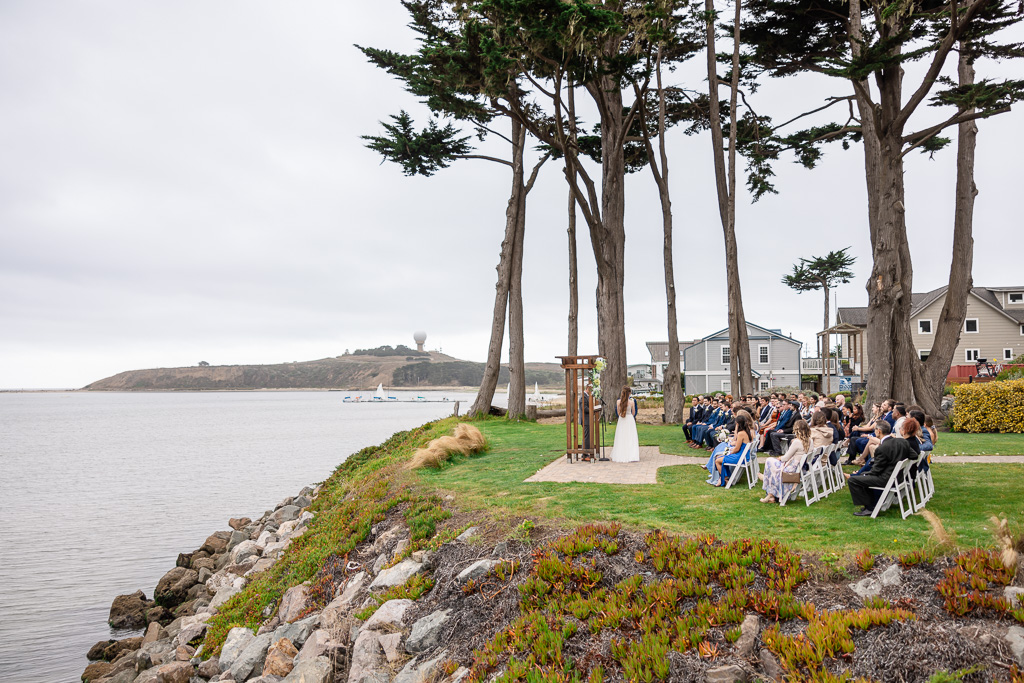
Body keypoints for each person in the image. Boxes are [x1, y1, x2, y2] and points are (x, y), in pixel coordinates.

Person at [848, 421, 918, 516]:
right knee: (862, 476)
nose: (874, 431)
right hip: (899, 478)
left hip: (886, 479)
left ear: (879, 431)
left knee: (853, 480)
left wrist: (863, 474)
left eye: (875, 429)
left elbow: (876, 471)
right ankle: (871, 505)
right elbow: (914, 455)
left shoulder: (882, 448)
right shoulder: (902, 442)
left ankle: (870, 507)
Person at [760, 419, 811, 503]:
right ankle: (770, 491)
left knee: (769, 461)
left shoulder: (797, 442)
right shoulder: (810, 441)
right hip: (802, 468)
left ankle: (766, 480)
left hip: (792, 469)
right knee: (773, 465)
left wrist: (780, 458)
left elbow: (786, 457)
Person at [706, 412, 755, 486]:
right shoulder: (746, 431)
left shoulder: (741, 433)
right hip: (744, 456)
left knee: (717, 460)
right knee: (720, 457)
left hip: (740, 457)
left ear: (738, 424)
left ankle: (725, 479)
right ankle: (724, 478)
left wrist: (729, 453)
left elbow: (737, 449)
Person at [610, 387, 640, 463]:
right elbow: (633, 413)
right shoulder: (632, 402)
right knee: (630, 437)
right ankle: (631, 454)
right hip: (630, 420)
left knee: (621, 437)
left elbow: (618, 412)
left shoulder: (618, 402)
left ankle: (621, 454)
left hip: (622, 420)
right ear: (629, 393)